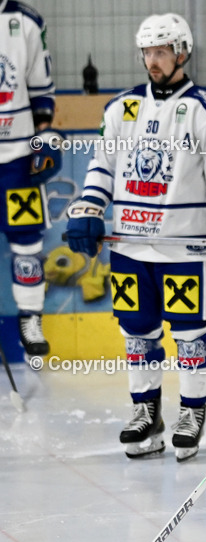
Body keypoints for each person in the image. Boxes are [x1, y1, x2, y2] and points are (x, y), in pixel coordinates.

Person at [66, 13, 206, 460]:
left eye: (162, 51)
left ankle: (192, 412)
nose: (153, 60)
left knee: (191, 334)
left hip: (184, 246)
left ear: (182, 53)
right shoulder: (120, 108)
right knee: (138, 333)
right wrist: (88, 210)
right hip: (130, 245)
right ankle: (145, 411)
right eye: (148, 52)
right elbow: (101, 168)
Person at [0, 1, 62, 357]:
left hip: (18, 155)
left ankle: (30, 317)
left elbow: (40, 89)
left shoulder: (25, 20)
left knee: (27, 240)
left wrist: (45, 138)